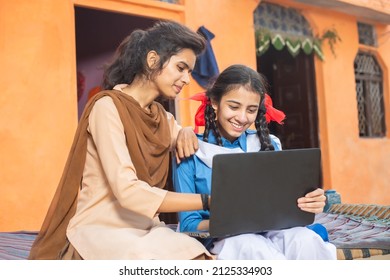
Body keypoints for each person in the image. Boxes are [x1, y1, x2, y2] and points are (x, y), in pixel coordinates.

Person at [28, 20, 213, 260]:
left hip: (147, 229)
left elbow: (197, 147)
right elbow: (128, 191)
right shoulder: (107, 107)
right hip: (102, 229)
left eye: (189, 71)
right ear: (152, 60)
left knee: (199, 256)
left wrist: (186, 129)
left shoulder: (162, 118)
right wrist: (208, 200)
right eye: (181, 68)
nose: (187, 79)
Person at [174, 64, 337, 260]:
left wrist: (309, 202)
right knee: (252, 245)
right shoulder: (190, 151)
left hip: (270, 229)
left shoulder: (268, 144)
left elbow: (283, 203)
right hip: (221, 238)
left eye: (251, 110)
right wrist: (228, 223)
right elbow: (188, 223)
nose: (242, 118)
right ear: (215, 102)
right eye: (233, 107)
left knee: (305, 240)